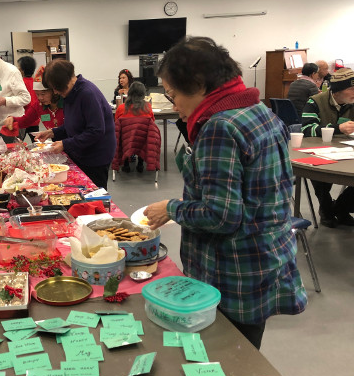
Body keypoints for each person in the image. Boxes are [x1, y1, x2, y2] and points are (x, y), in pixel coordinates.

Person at [144, 36, 306, 350]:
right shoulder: (258, 111)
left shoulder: (220, 127)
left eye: (173, 94)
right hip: (265, 259)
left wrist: (172, 208)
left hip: (234, 271)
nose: (174, 105)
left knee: (227, 355)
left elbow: (221, 216)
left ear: (199, 84)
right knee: (246, 349)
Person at [34, 59, 115, 189]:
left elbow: (96, 131)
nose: (55, 92)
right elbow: (73, 124)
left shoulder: (87, 94)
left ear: (64, 82)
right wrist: (53, 132)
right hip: (81, 152)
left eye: (56, 88)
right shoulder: (69, 94)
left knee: (94, 196)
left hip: (96, 156)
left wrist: (66, 144)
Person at [301, 67, 354, 227]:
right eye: (351, 88)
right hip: (320, 152)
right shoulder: (315, 101)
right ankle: (326, 207)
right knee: (318, 174)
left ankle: (339, 208)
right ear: (337, 91)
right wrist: (338, 129)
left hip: (347, 152)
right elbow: (306, 129)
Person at [115, 81, 155, 173]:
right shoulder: (148, 107)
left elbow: (116, 124)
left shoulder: (121, 108)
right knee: (142, 135)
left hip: (126, 141)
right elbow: (152, 122)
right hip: (143, 141)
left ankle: (126, 164)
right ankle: (140, 164)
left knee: (123, 136)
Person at [15, 55, 41, 142]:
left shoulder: (20, 83)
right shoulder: (36, 82)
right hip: (35, 119)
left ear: (21, 70)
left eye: (19, 67)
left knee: (17, 143)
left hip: (24, 119)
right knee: (36, 143)